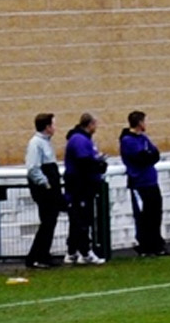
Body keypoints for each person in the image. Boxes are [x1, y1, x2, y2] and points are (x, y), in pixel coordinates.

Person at [118, 111, 166, 257]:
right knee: (144, 216)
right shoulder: (128, 140)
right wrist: (148, 156)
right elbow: (141, 158)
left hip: (151, 181)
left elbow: (155, 154)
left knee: (156, 213)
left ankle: (157, 245)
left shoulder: (144, 138)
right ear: (139, 123)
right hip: (139, 183)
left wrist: (149, 156)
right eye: (144, 121)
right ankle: (145, 246)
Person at [62, 113, 107, 265]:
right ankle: (85, 252)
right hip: (79, 187)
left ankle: (72, 251)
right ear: (90, 124)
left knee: (79, 220)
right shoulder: (79, 139)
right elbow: (84, 162)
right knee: (81, 220)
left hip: (83, 186)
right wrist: (98, 165)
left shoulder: (84, 139)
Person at [23, 114, 62, 269]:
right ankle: (36, 256)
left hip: (50, 186)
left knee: (50, 221)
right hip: (44, 189)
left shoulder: (45, 143)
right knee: (47, 221)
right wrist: (45, 184)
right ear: (47, 127)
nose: (55, 127)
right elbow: (32, 167)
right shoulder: (36, 143)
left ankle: (43, 254)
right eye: (53, 124)